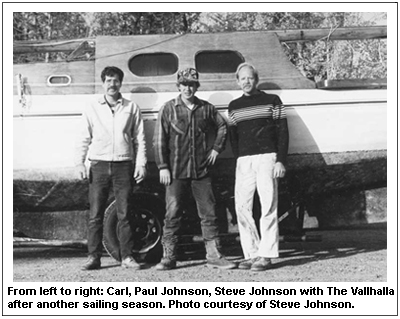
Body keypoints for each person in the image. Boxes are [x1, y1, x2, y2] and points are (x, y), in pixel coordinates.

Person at [153, 67, 237, 270]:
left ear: (196, 86)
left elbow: (222, 126)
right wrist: (162, 166)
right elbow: (159, 140)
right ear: (178, 86)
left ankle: (214, 255)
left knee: (208, 213)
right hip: (175, 171)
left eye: (191, 84)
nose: (187, 88)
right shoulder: (168, 109)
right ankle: (168, 256)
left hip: (201, 171)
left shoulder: (206, 108)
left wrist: (217, 148)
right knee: (172, 213)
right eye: (184, 84)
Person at [75, 66, 147, 270]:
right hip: (98, 165)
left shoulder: (131, 107)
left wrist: (140, 163)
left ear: (121, 83)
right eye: (108, 80)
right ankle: (93, 257)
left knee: (125, 213)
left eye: (115, 80)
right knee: (95, 214)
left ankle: (127, 257)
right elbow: (84, 137)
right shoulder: (92, 107)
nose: (112, 84)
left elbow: (139, 139)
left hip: (124, 166)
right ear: (102, 83)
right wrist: (79, 162)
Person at [228, 63, 289, 271]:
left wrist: (280, 160)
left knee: (268, 205)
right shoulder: (234, 106)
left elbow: (282, 132)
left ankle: (266, 254)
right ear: (237, 82)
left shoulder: (272, 101)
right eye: (242, 78)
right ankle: (252, 253)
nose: (247, 82)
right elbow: (233, 137)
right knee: (242, 207)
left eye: (250, 78)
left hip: (267, 158)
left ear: (257, 79)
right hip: (244, 160)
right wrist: (240, 159)